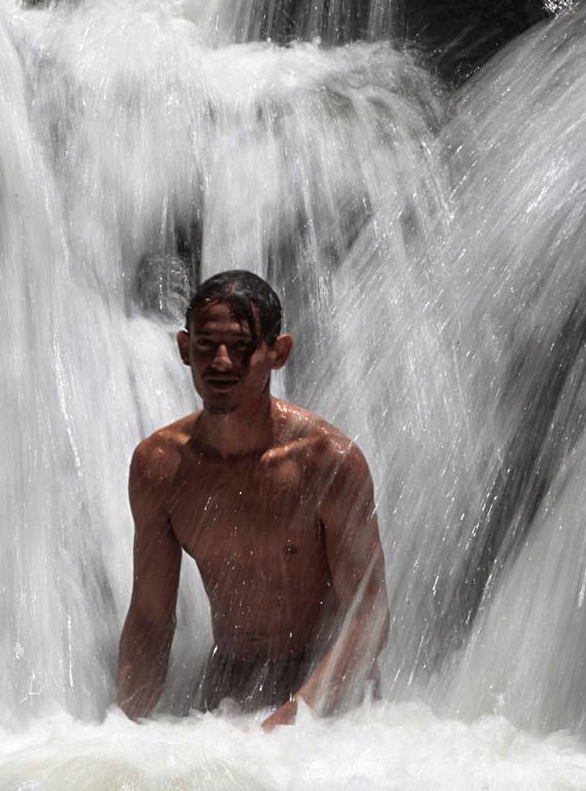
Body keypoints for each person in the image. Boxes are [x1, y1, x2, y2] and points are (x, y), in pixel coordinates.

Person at [117, 270, 390, 729]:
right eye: (206, 344)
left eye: (241, 345)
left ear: (277, 353)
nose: (220, 362)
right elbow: (149, 620)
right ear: (185, 349)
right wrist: (122, 731)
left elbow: (370, 619)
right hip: (229, 687)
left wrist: (286, 725)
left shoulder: (326, 462)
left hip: (330, 698)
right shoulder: (160, 465)